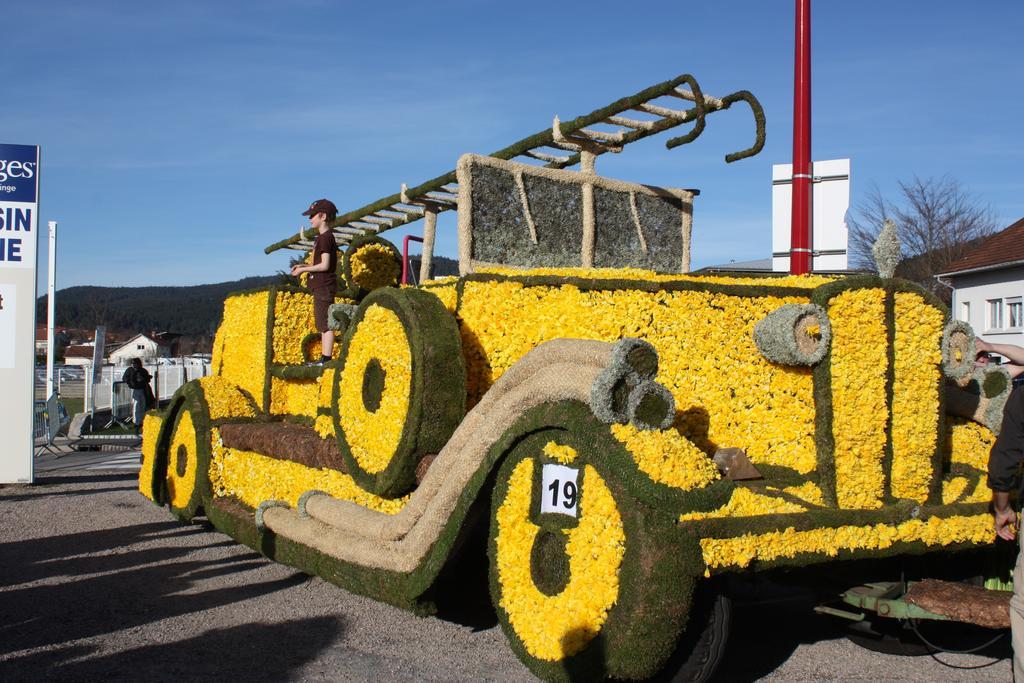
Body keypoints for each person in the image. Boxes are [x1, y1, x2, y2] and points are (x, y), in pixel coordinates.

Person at [290, 198, 339, 365]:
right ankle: (324, 359)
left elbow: (325, 265)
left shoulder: (326, 238)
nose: (310, 219)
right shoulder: (322, 238)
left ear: (323, 216)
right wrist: (304, 265)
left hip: (324, 285)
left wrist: (304, 269)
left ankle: (326, 359)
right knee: (322, 323)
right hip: (321, 285)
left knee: (325, 324)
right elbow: (320, 263)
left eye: (312, 215)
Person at [122, 358, 153, 432]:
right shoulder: (130, 370)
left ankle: (142, 421)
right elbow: (125, 378)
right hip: (135, 390)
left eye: (135, 363)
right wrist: (130, 382)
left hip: (143, 389)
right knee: (136, 406)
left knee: (143, 405)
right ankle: (137, 422)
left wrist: (143, 379)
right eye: (133, 363)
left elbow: (147, 378)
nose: (134, 365)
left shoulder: (142, 370)